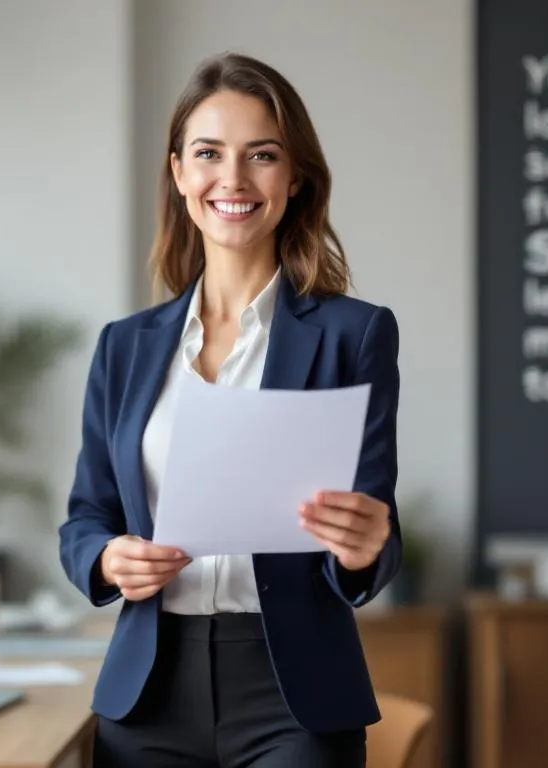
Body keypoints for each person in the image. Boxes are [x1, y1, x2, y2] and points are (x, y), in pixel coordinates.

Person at [58, 52, 401, 768]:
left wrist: (367, 547)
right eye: (209, 154)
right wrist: (108, 558)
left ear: (295, 177)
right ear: (179, 172)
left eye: (263, 156)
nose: (234, 180)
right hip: (148, 690)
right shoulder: (125, 348)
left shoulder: (355, 335)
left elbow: (374, 526)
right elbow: (85, 519)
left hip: (294, 697)